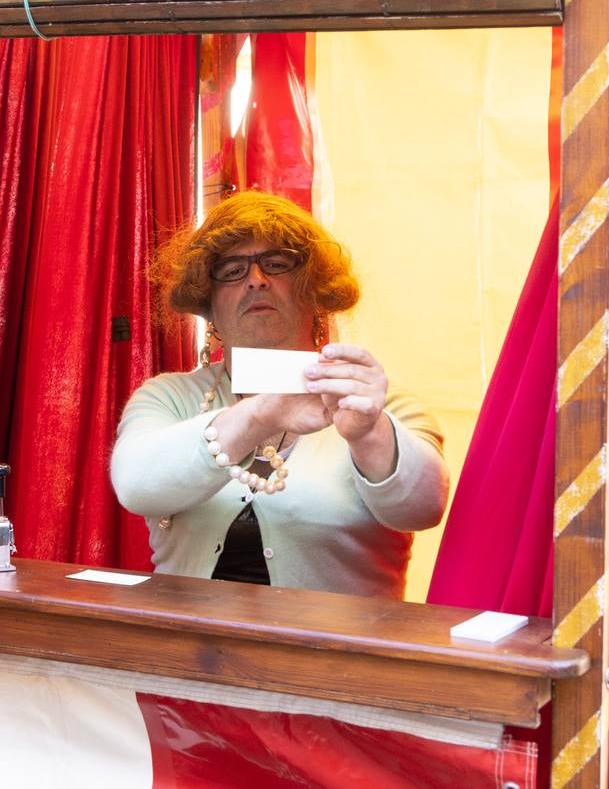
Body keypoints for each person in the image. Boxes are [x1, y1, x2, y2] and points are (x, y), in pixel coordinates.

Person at [111, 192, 449, 598]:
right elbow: (136, 486)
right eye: (232, 270)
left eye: (276, 263)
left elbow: (422, 509)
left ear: (315, 292)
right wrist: (261, 414)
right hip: (186, 656)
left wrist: (369, 432)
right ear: (209, 306)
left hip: (337, 658)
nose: (256, 279)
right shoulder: (169, 397)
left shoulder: (380, 403)